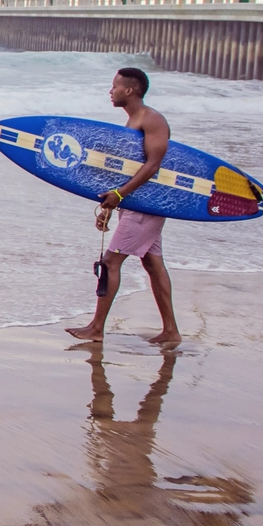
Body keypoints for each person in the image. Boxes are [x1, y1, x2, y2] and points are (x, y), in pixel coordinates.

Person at [67, 67, 180, 344]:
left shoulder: (152, 120)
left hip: (146, 207)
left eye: (115, 86)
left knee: (109, 263)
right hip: (138, 203)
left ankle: (96, 328)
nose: (111, 91)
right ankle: (171, 331)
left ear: (129, 90)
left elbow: (153, 166)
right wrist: (110, 205)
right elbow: (127, 170)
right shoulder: (133, 122)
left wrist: (120, 194)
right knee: (153, 264)